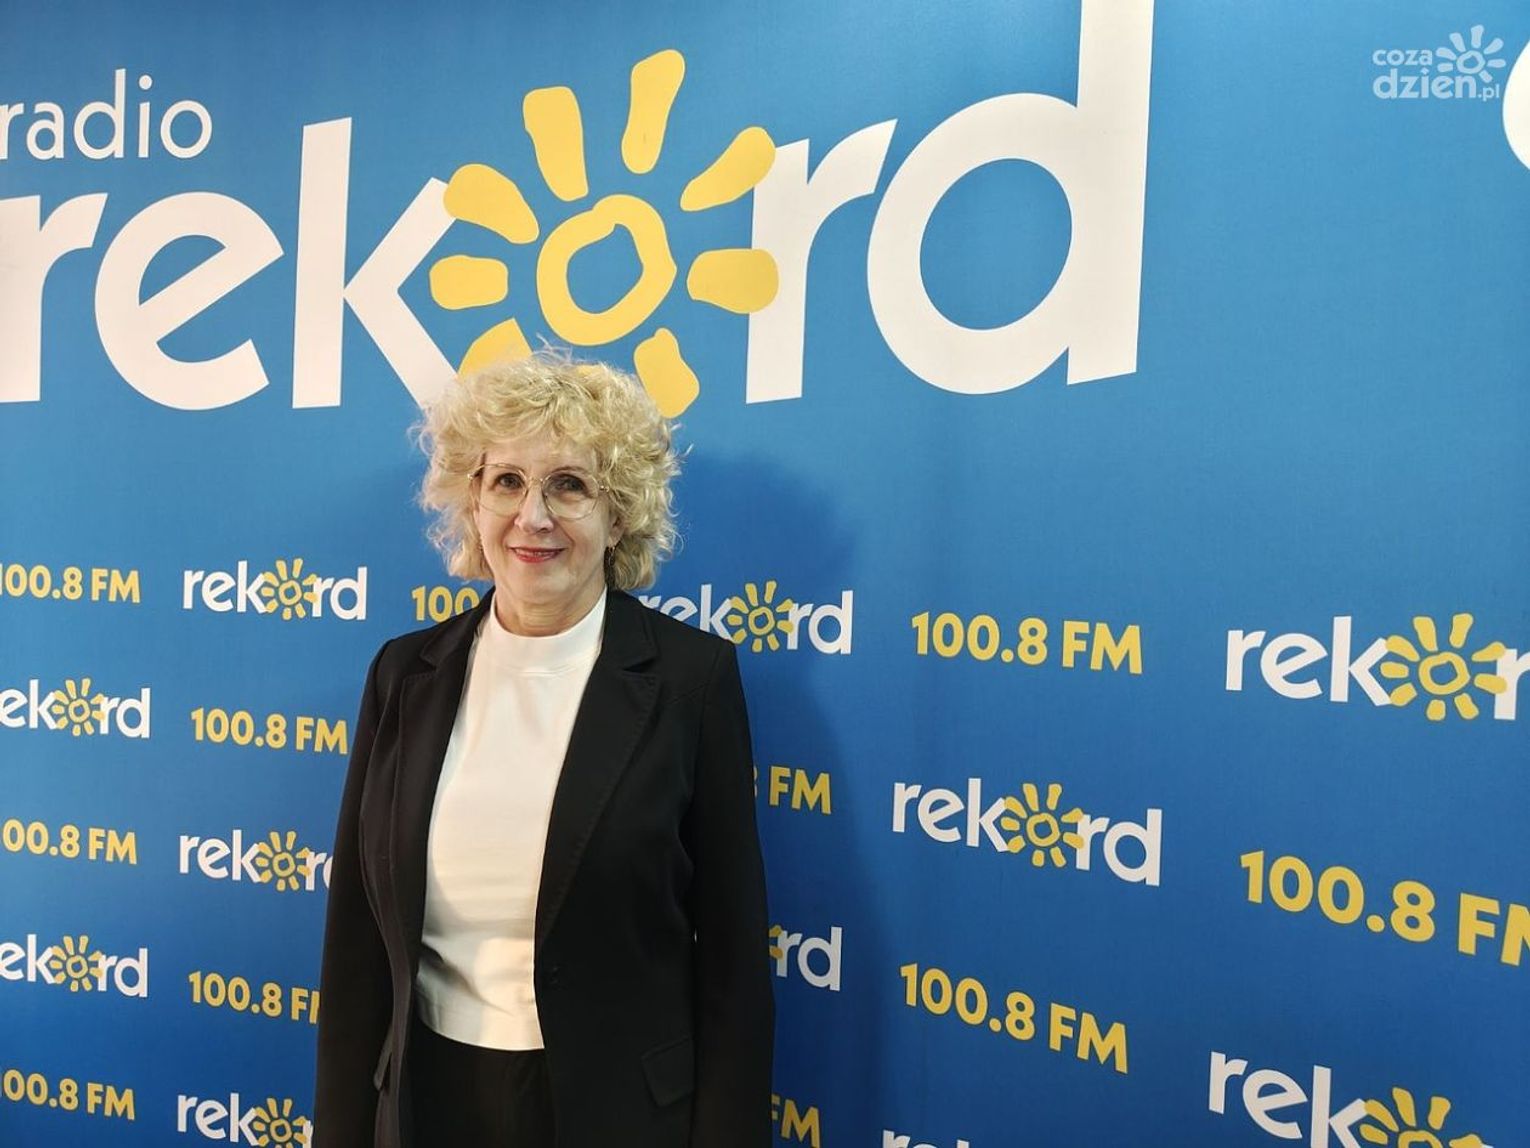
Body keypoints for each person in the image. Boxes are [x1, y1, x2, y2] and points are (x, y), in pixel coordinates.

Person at [312, 352, 773, 1148]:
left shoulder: (690, 681)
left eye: (569, 485)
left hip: (617, 1113)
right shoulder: (403, 673)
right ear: (473, 502)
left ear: (617, 514)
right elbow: (356, 942)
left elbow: (732, 959)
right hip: (425, 1103)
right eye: (506, 482)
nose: (533, 517)